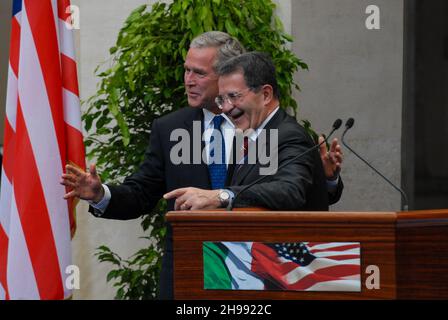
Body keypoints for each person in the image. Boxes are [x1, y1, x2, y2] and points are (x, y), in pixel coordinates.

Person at [61, 31, 342, 299]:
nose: (188, 80)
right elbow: (141, 193)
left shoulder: (265, 128)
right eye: (187, 70)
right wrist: (101, 195)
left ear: (227, 76)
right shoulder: (171, 129)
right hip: (188, 273)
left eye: (199, 73)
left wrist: (324, 179)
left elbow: (287, 191)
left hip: (256, 274)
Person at [164, 51, 329, 211]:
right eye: (222, 99)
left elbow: (289, 190)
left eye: (234, 96)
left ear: (265, 94)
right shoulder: (244, 137)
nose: (226, 108)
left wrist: (222, 196)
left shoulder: (290, 136)